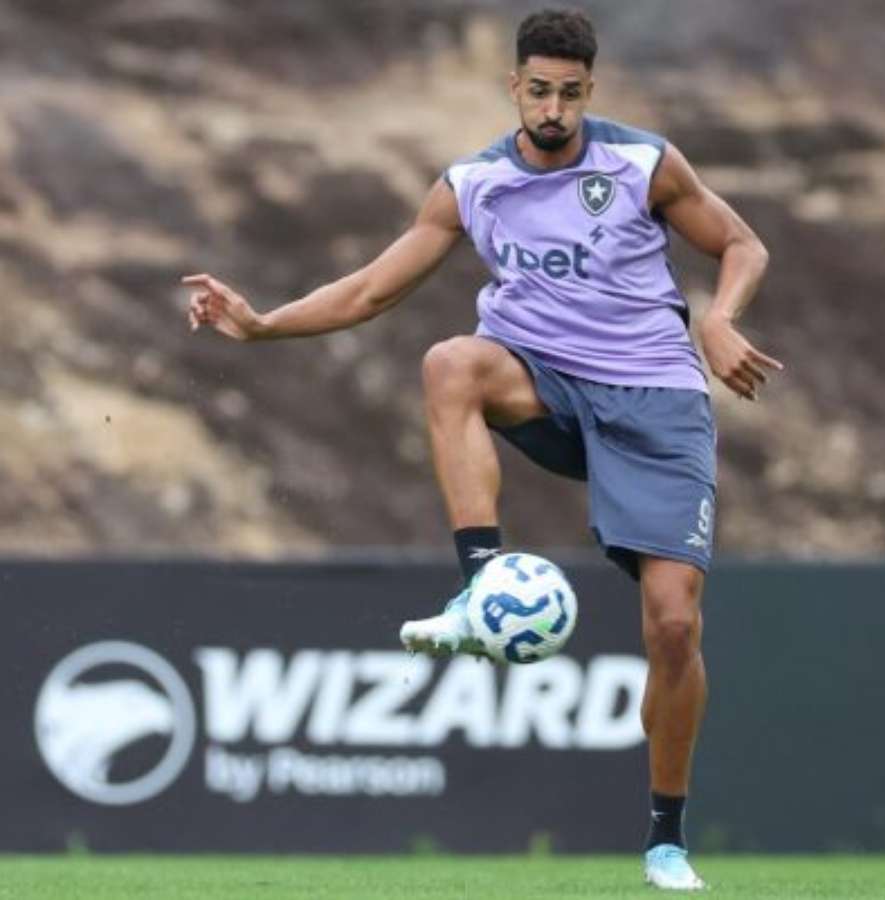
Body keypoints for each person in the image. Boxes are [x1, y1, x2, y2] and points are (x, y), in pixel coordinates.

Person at [184, 8, 780, 891]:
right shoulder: (473, 184)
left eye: (570, 94)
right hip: (544, 385)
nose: (553, 109)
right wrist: (265, 324)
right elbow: (371, 290)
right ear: (514, 87)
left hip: (656, 400)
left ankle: (665, 838)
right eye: (539, 91)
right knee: (450, 362)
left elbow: (741, 243)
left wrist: (719, 319)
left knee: (673, 625)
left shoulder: (643, 164)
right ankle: (481, 587)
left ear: (590, 90)